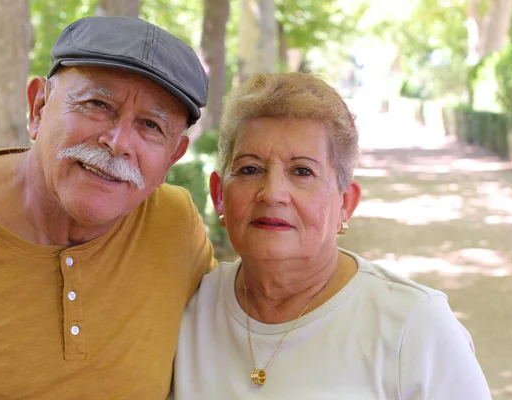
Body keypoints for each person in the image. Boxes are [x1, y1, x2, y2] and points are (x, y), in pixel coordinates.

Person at [0, 16, 215, 399]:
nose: (117, 141)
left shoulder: (175, 226)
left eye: (150, 125)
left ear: (171, 159)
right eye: (97, 104)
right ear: (38, 108)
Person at [172, 72, 492, 399]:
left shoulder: (414, 328)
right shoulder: (186, 308)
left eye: (302, 172)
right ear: (219, 194)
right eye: (250, 169)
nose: (272, 194)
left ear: (345, 203)